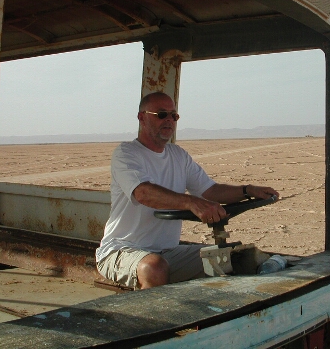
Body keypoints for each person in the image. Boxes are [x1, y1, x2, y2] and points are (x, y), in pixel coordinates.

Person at [96, 92, 279, 289]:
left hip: (168, 252)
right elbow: (142, 193)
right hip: (122, 250)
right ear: (142, 117)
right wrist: (191, 202)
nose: (169, 120)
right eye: (161, 114)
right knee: (154, 268)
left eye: (174, 116)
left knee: (233, 259)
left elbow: (210, 190)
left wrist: (247, 190)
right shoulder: (127, 154)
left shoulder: (178, 155)